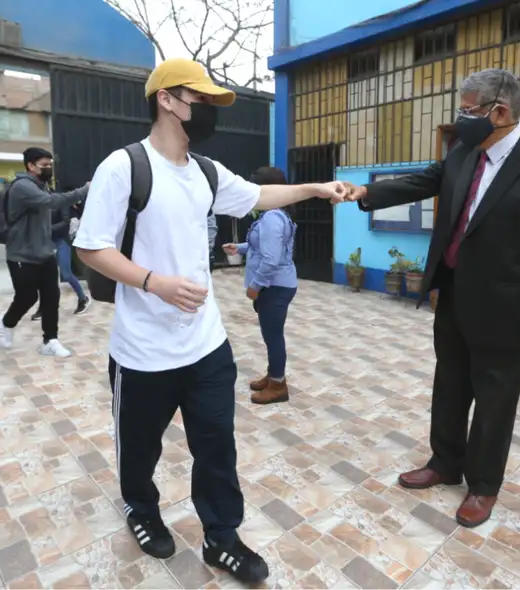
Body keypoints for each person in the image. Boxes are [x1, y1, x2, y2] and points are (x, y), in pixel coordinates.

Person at [74, 58, 345, 585]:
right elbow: (90, 246)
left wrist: (312, 189)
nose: (210, 111)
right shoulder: (124, 166)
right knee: (140, 445)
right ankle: (141, 508)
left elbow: (257, 196)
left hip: (207, 347)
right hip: (145, 350)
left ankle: (222, 538)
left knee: (218, 447)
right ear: (167, 100)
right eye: (201, 100)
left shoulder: (205, 171)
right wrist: (155, 282)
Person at [341, 68, 520, 528]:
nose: (460, 119)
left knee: (495, 400)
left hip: (509, 311)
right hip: (453, 297)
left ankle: (484, 485)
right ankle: (444, 462)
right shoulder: (463, 152)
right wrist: (365, 191)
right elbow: (422, 181)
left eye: (467, 111)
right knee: (449, 386)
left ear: (500, 112)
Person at [0, 148, 89, 358]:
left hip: (45, 252)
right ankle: (7, 323)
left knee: (51, 297)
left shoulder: (41, 186)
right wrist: (84, 190)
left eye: (50, 165)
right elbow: (52, 202)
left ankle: (50, 340)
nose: (49, 169)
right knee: (26, 297)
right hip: (21, 255)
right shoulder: (23, 187)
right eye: (44, 165)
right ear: (30, 165)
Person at [222, 166, 297, 405]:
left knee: (273, 336)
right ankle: (273, 375)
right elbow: (263, 247)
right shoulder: (274, 214)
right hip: (277, 284)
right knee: (270, 334)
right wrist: (240, 247)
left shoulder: (272, 217)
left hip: (274, 286)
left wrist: (255, 285)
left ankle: (278, 385)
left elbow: (271, 259)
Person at [30, 200, 90, 321]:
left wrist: (47, 229)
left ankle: (83, 299)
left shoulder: (59, 200)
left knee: (66, 274)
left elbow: (65, 222)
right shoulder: (37, 202)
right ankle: (43, 308)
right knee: (44, 277)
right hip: (45, 243)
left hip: (61, 241)